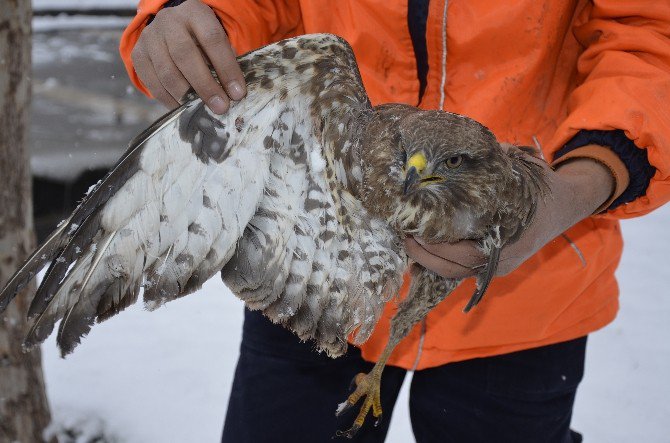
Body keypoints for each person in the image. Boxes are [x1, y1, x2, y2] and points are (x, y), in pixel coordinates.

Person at [120, 1, 670, 441]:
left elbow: (650, 35)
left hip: (528, 289)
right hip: (318, 259)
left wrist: (579, 187)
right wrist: (194, 20)